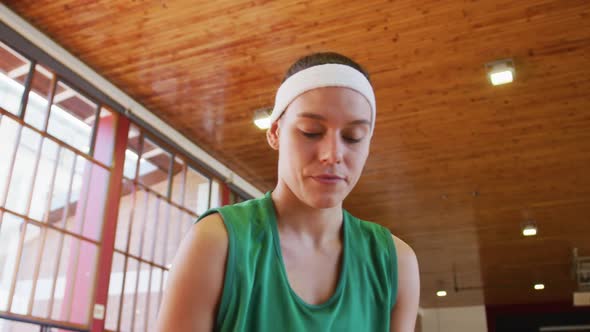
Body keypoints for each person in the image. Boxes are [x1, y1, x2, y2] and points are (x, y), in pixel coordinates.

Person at [156, 52, 420, 331]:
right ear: (275, 133)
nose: (333, 154)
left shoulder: (395, 263)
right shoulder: (218, 242)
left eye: (353, 137)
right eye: (311, 131)